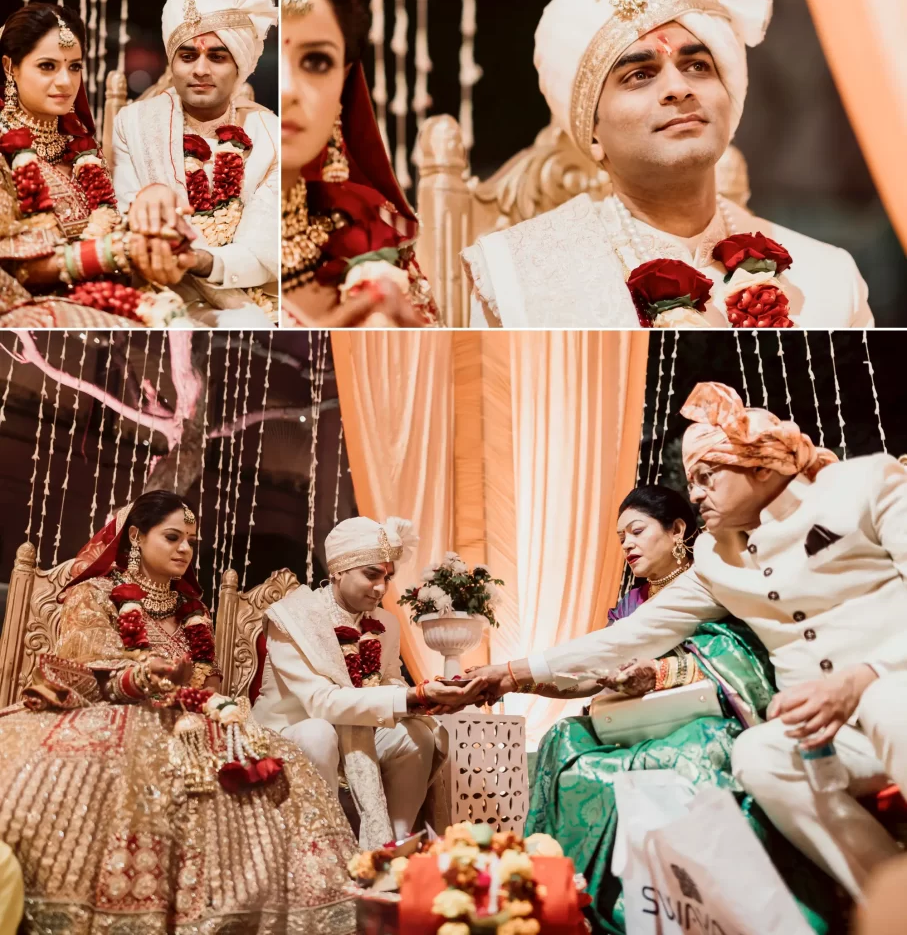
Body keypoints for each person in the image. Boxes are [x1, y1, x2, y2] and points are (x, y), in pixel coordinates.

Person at [469, 381, 907, 902]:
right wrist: (511, 673)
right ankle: (886, 898)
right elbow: (632, 635)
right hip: (825, 735)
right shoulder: (716, 559)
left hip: (896, 688)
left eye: (707, 477)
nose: (695, 493)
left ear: (761, 465)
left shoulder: (865, 483)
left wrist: (864, 678)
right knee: (759, 754)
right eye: (693, 480)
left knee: (886, 702)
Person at [461, 0, 872, 329]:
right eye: (640, 75)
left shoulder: (827, 279)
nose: (678, 88)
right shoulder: (517, 275)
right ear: (591, 134)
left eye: (697, 66)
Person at [0, 490, 358, 933]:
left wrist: (197, 687)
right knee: (132, 761)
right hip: (119, 711)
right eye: (172, 537)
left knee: (283, 766)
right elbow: (93, 668)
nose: (185, 549)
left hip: (195, 718)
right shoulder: (93, 594)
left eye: (191, 541)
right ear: (135, 536)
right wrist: (148, 676)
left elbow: (208, 681)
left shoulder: (194, 611)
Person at [525, 484, 835, 933]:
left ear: (677, 531)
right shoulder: (632, 605)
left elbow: (741, 653)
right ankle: (571, 900)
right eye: (620, 539)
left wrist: (663, 674)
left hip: (711, 714)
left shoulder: (717, 576)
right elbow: (601, 664)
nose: (627, 544)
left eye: (635, 531)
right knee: (561, 737)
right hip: (636, 720)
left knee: (692, 749)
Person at [252, 515, 489, 847]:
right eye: (371, 575)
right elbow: (321, 702)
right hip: (292, 728)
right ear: (338, 570)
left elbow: (388, 681)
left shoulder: (385, 624)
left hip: (357, 730)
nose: (381, 588)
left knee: (416, 735)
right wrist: (410, 697)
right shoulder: (291, 618)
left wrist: (426, 697)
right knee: (318, 733)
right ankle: (323, 849)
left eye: (388, 577)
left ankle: (394, 849)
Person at [279, 0, 440, 327]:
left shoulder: (368, 235)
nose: (285, 90)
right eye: (268, 57)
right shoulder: (186, 221)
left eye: (315, 61)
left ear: (343, 85)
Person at [0, 3, 194, 327]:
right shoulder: (5, 151)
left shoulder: (82, 148)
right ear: (10, 68)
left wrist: (156, 239)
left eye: (74, 67)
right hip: (35, 309)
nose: (65, 81)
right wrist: (119, 249)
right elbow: (15, 267)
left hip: (103, 292)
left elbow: (111, 224)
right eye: (47, 66)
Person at [112, 0, 280, 325]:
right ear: (172, 65)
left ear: (239, 68)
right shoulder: (136, 123)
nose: (200, 70)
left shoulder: (269, 135)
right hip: (163, 291)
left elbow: (265, 248)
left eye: (217, 57)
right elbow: (129, 215)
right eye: (187, 56)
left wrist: (202, 260)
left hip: (252, 292)